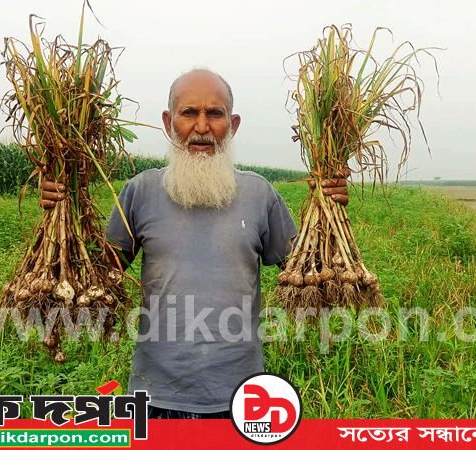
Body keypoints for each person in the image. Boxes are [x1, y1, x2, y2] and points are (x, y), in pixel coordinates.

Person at [40, 69, 349, 419]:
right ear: (169, 121)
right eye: (189, 113)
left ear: (232, 124)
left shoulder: (260, 195)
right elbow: (95, 281)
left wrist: (326, 214)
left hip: (244, 398)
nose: (202, 127)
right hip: (154, 396)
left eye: (214, 114)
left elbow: (309, 275)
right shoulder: (139, 192)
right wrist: (64, 208)